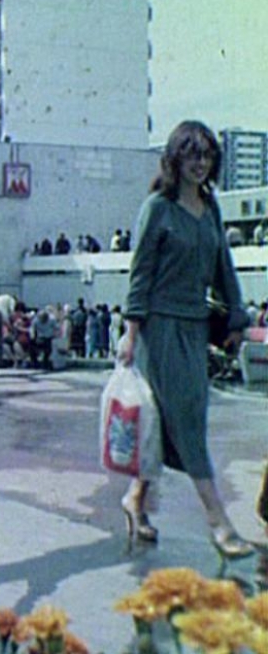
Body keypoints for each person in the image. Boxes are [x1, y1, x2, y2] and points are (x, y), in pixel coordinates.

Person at [118, 121, 254, 559]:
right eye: (192, 155)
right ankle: (219, 522)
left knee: (169, 422)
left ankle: (135, 501)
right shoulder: (157, 207)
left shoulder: (211, 207)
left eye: (207, 156)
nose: (200, 164)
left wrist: (236, 316)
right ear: (175, 159)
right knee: (187, 422)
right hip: (158, 330)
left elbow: (224, 268)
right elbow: (140, 274)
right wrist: (130, 331)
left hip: (194, 328)